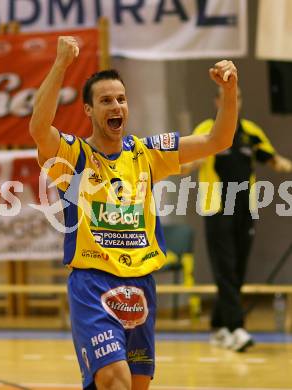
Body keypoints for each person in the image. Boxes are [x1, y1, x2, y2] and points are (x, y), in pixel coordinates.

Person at [29, 35, 238, 390]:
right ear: (89, 111)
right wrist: (61, 64)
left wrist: (229, 93)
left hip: (140, 285)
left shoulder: (146, 153)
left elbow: (218, 140)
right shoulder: (73, 157)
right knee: (116, 380)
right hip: (92, 283)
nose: (116, 106)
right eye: (106, 100)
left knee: (135, 385)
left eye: (121, 99)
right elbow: (38, 129)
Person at [181, 87, 292, 353]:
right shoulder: (207, 129)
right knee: (226, 269)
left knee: (237, 270)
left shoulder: (251, 132)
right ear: (217, 100)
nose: (233, 101)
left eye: (238, 97)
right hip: (217, 209)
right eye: (226, 96)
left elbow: (275, 161)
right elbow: (190, 162)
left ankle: (219, 326)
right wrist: (181, 165)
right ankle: (236, 327)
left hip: (246, 210)